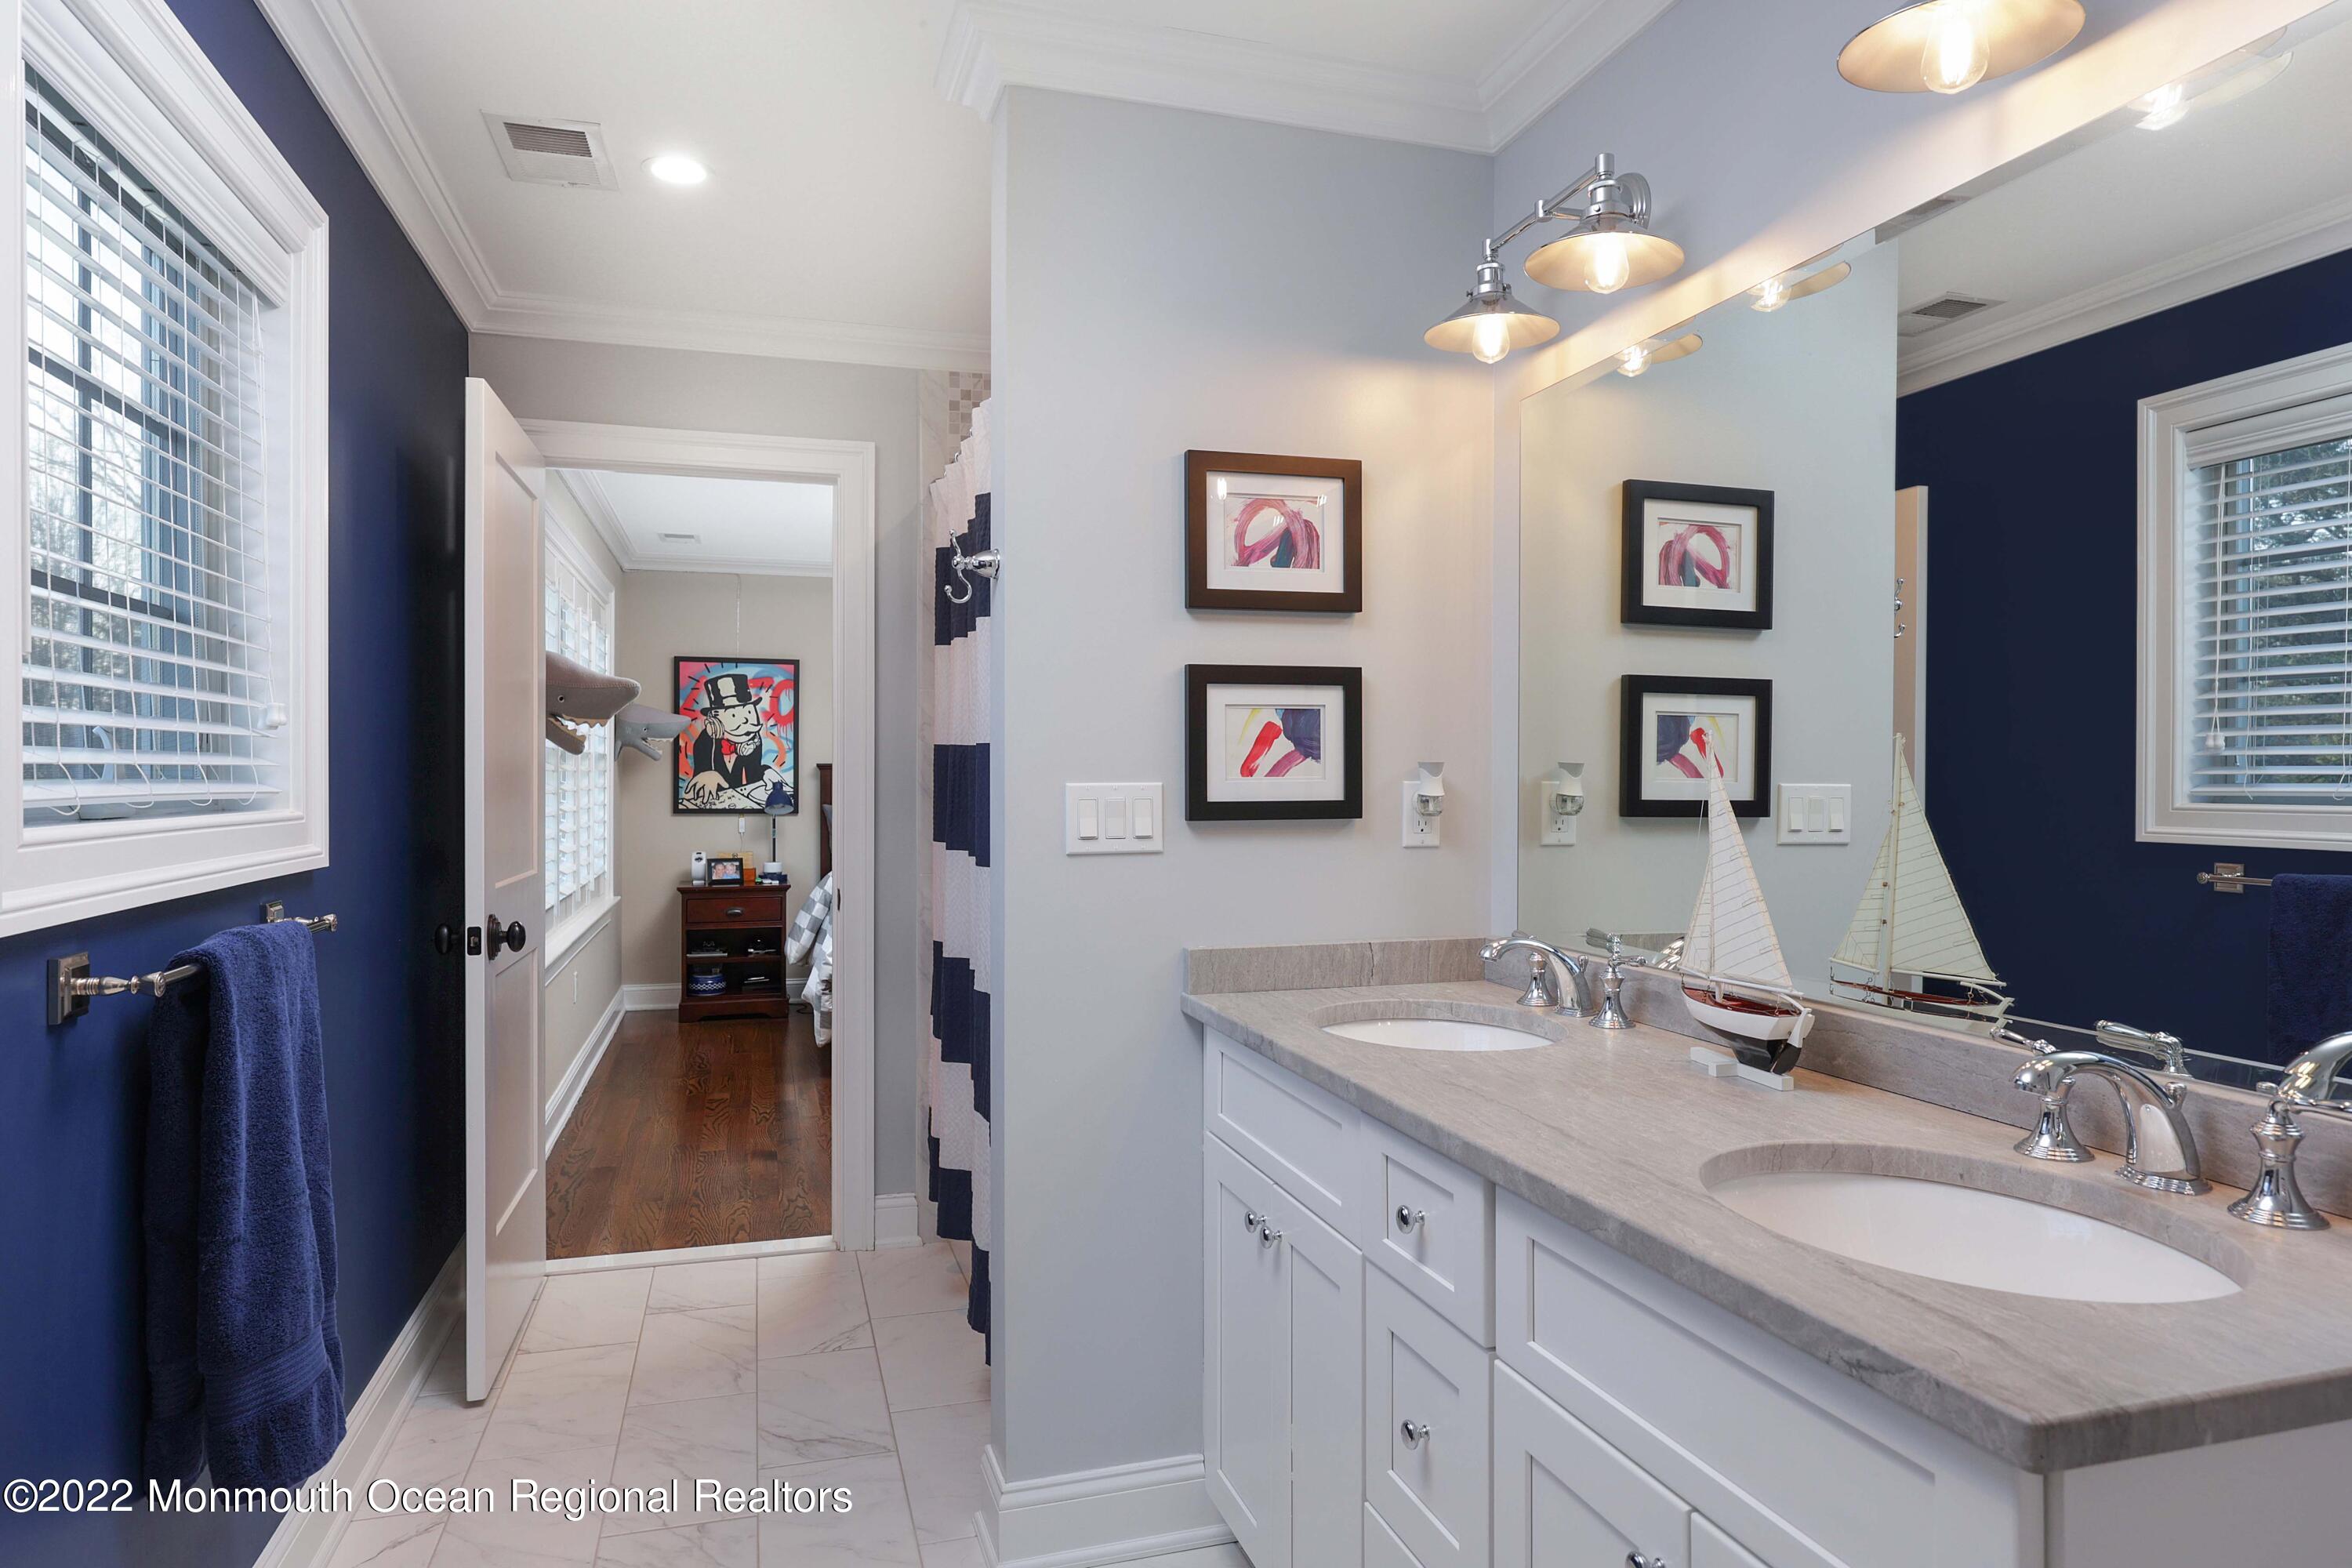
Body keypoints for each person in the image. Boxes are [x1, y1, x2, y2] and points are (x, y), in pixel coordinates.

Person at [683, 670, 789, 811]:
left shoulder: (752, 739)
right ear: (715, 723)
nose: (746, 720)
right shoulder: (705, 741)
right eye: (733, 714)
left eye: (749, 712)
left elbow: (753, 775)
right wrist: (707, 775)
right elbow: (698, 782)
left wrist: (766, 772)